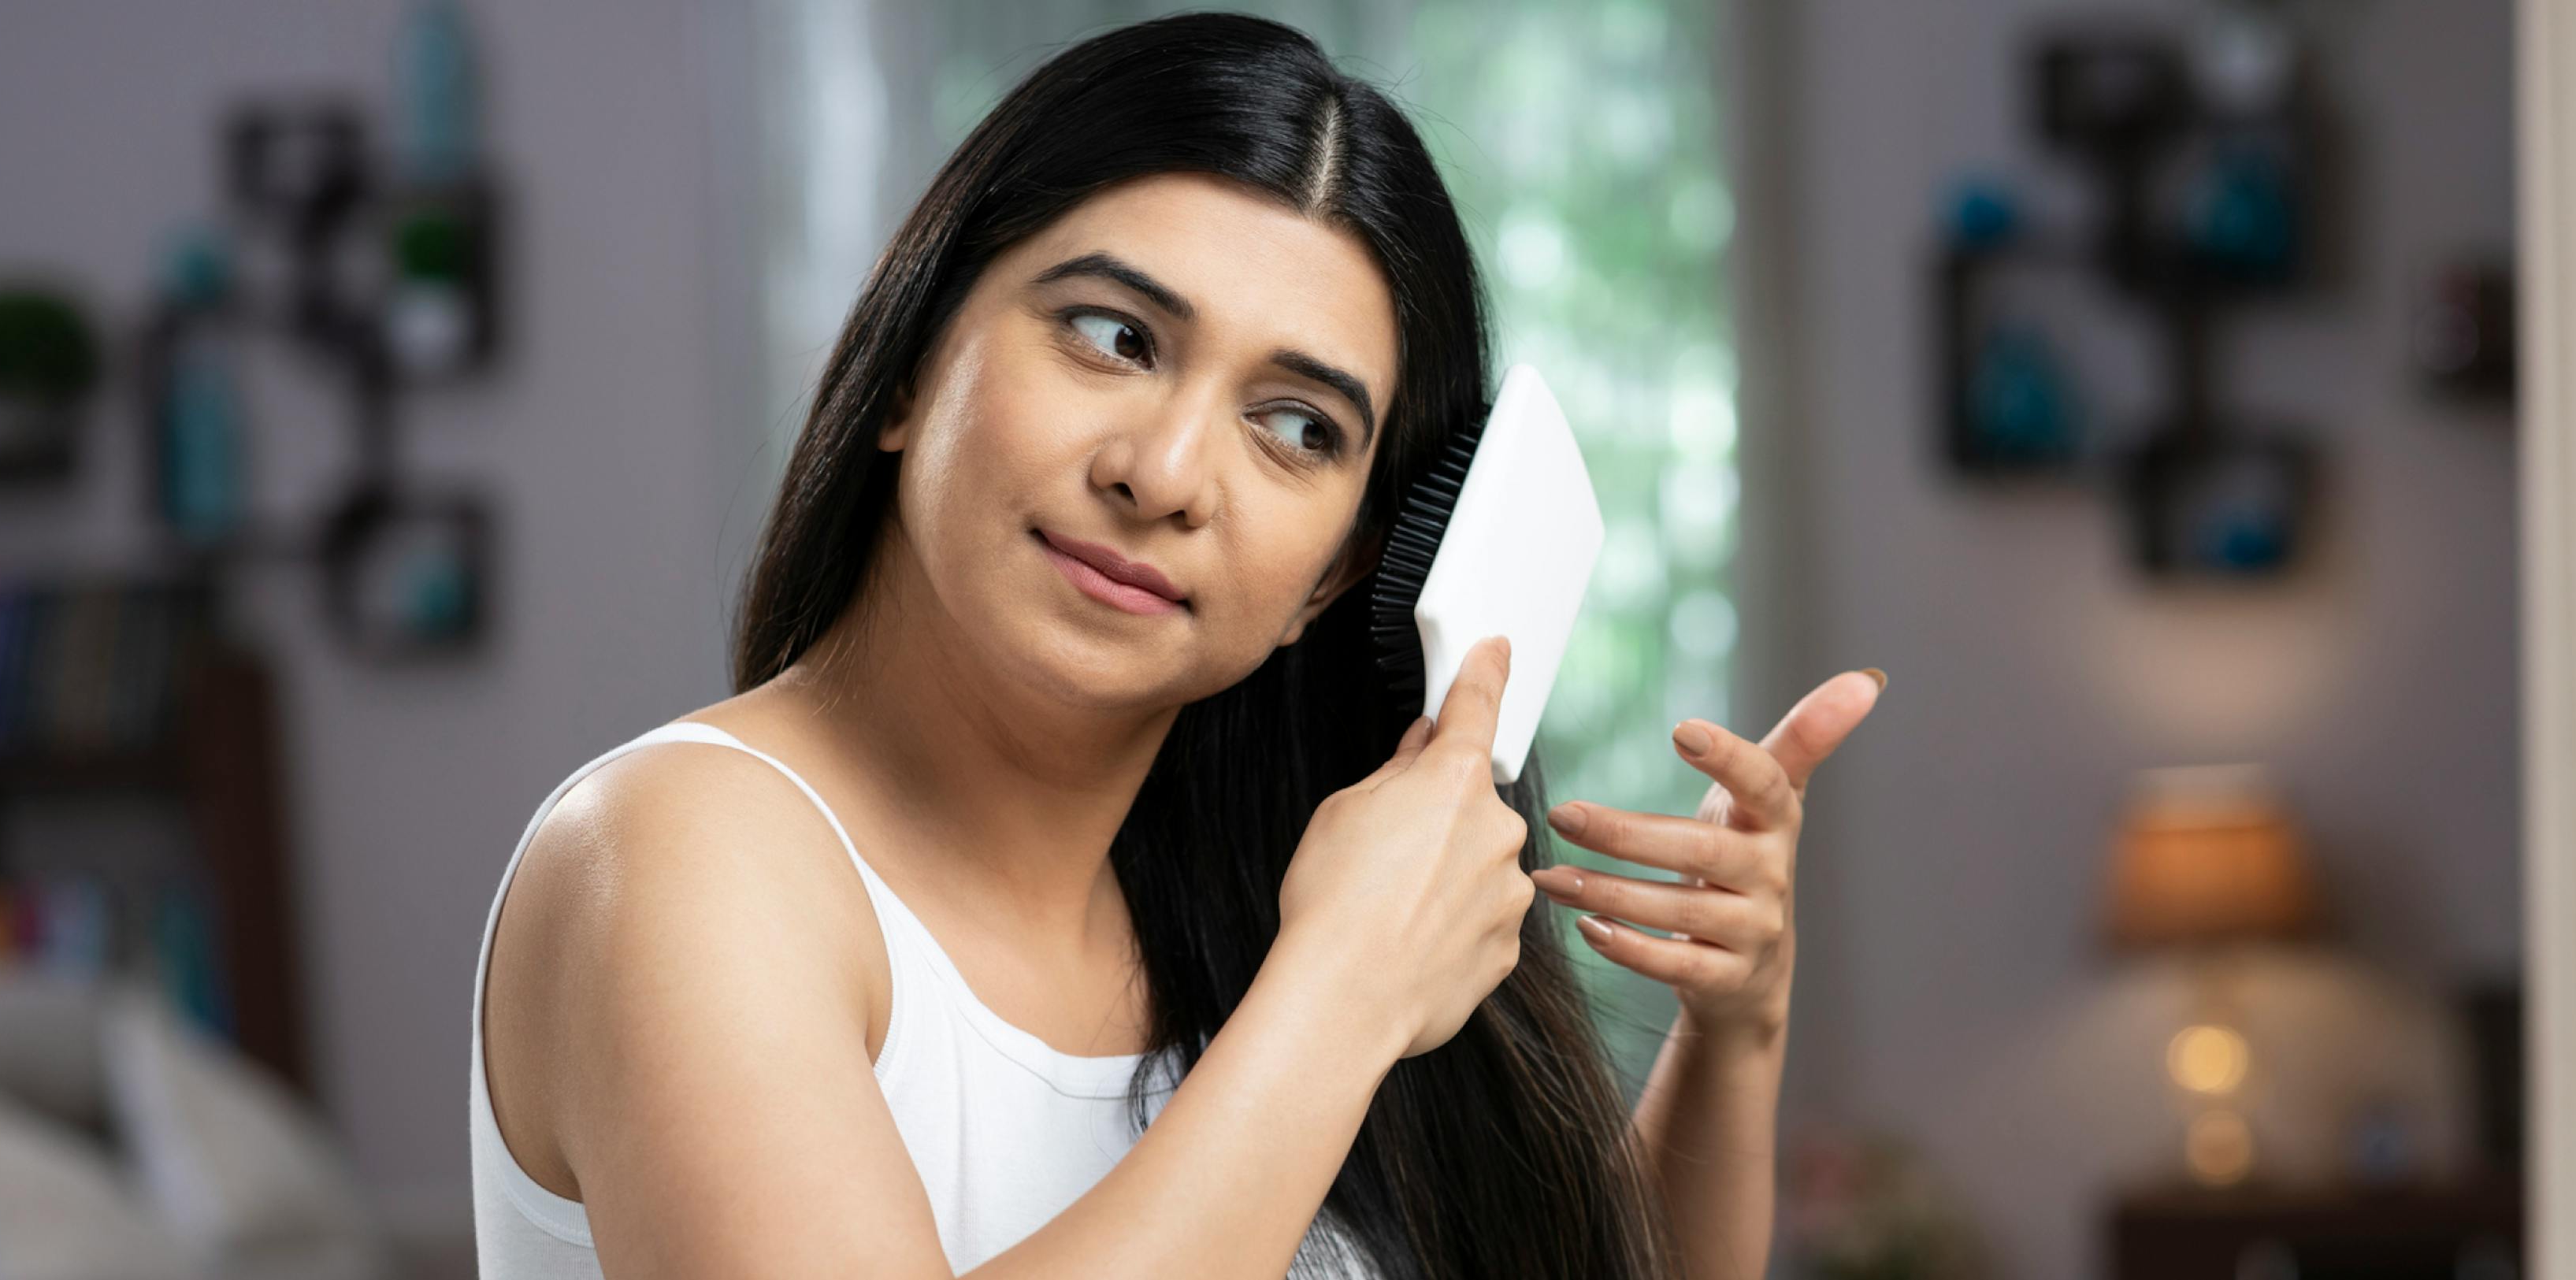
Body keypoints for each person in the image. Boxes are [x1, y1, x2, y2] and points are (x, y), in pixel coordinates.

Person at [467, 12, 1883, 1279]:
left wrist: (1731, 1031)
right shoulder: (676, 855)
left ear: (1342, 574)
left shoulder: (1253, 899)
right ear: (909, 364)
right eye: (1111, 334)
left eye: (1297, 427)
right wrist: (1344, 990)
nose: (1166, 472)